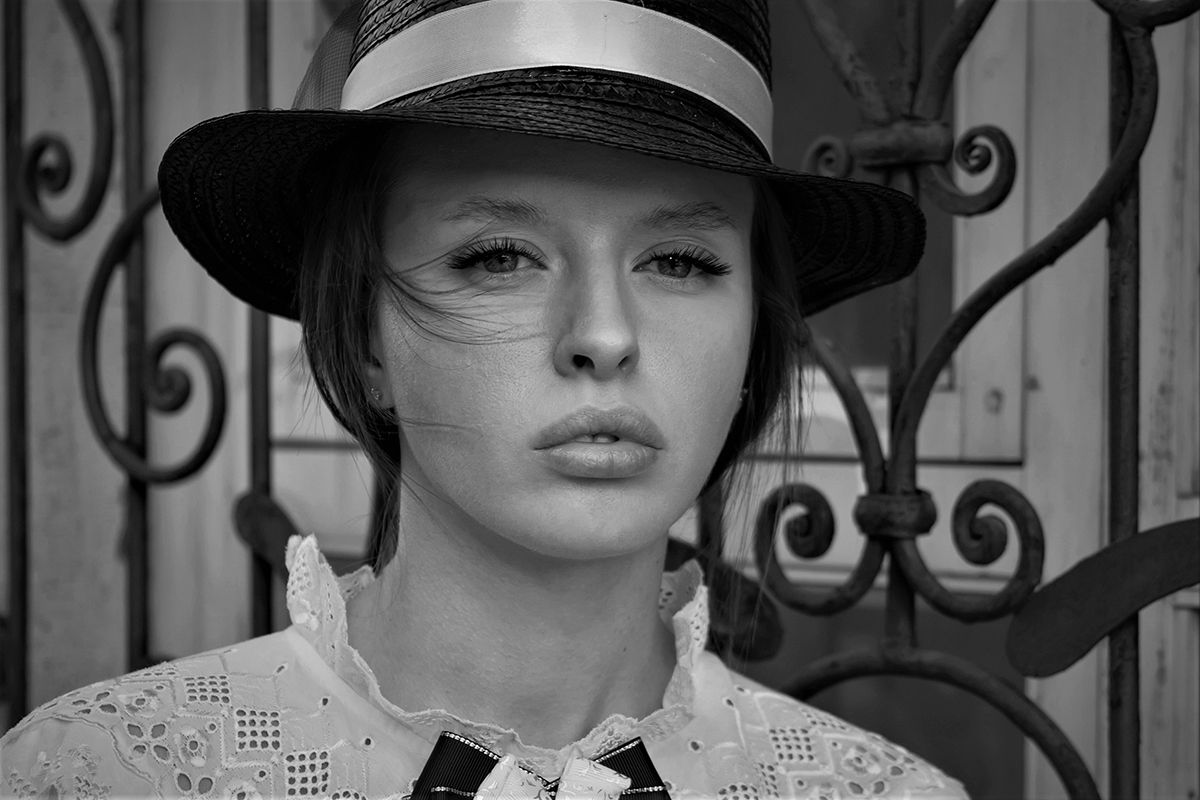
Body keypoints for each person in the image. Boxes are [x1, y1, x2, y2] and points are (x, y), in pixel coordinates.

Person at [1, 1, 968, 798]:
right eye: (500, 256)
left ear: (754, 329)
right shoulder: (99, 774)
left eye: (680, 260)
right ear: (364, 336)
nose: (604, 335)